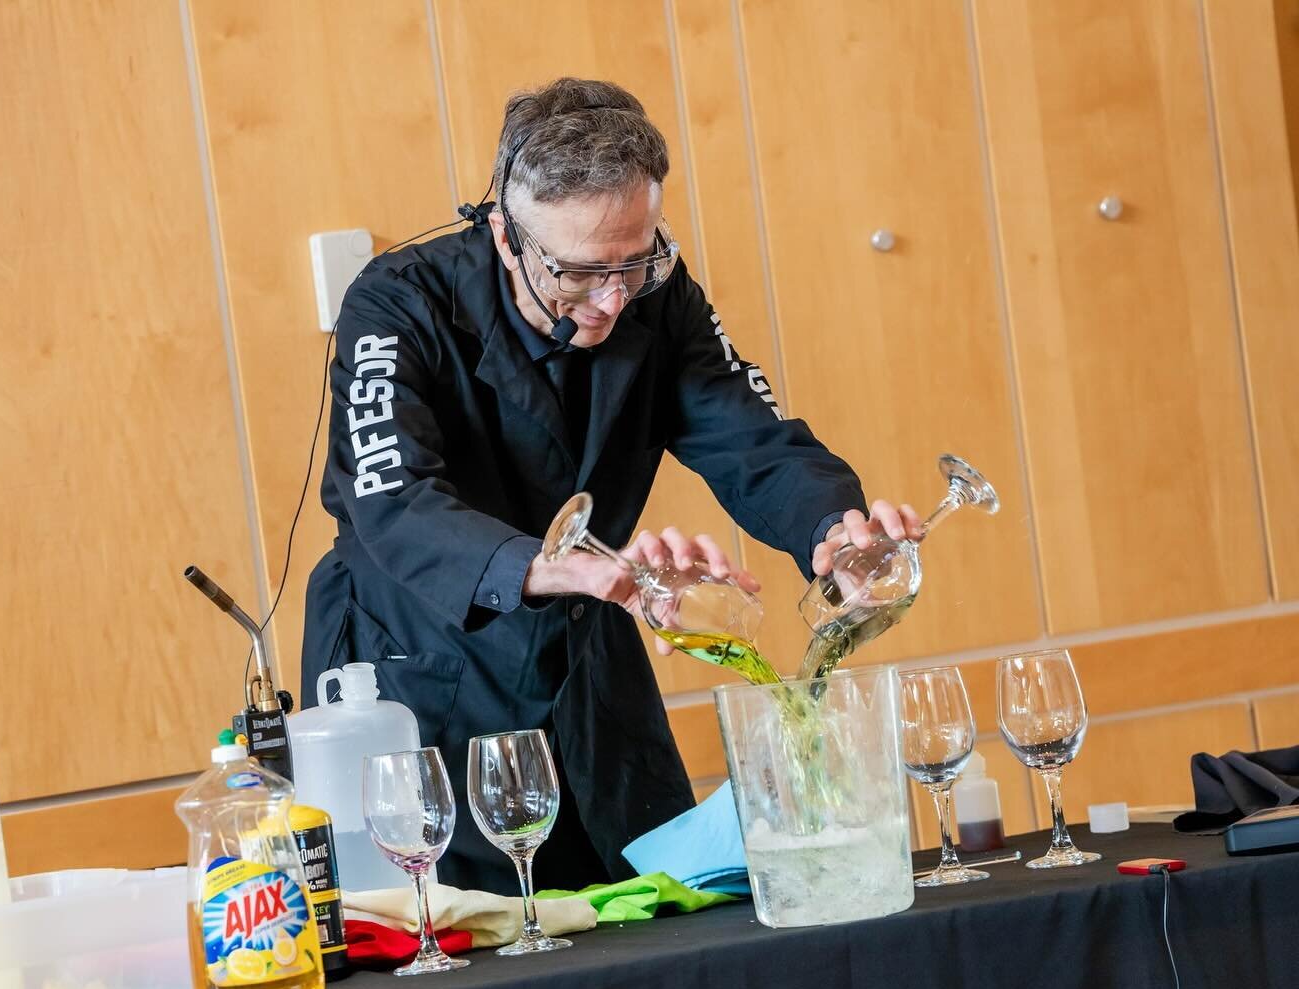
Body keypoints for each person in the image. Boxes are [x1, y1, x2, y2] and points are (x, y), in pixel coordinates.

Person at [301, 77, 921, 895]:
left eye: (639, 259)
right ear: (504, 234)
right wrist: (561, 567)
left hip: (587, 646)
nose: (614, 298)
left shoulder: (656, 296)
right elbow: (393, 500)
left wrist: (831, 529)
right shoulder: (396, 305)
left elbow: (750, 432)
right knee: (460, 942)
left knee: (647, 909)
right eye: (582, 272)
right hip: (419, 671)